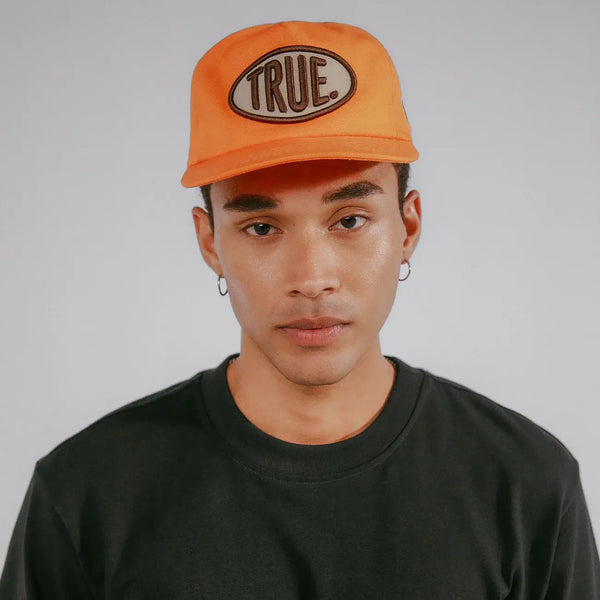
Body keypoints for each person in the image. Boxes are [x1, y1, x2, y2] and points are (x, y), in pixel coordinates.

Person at [1, 20, 598, 599]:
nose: (312, 278)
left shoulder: (525, 485)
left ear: (408, 226)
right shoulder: (86, 494)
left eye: (350, 220)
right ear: (210, 243)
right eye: (262, 227)